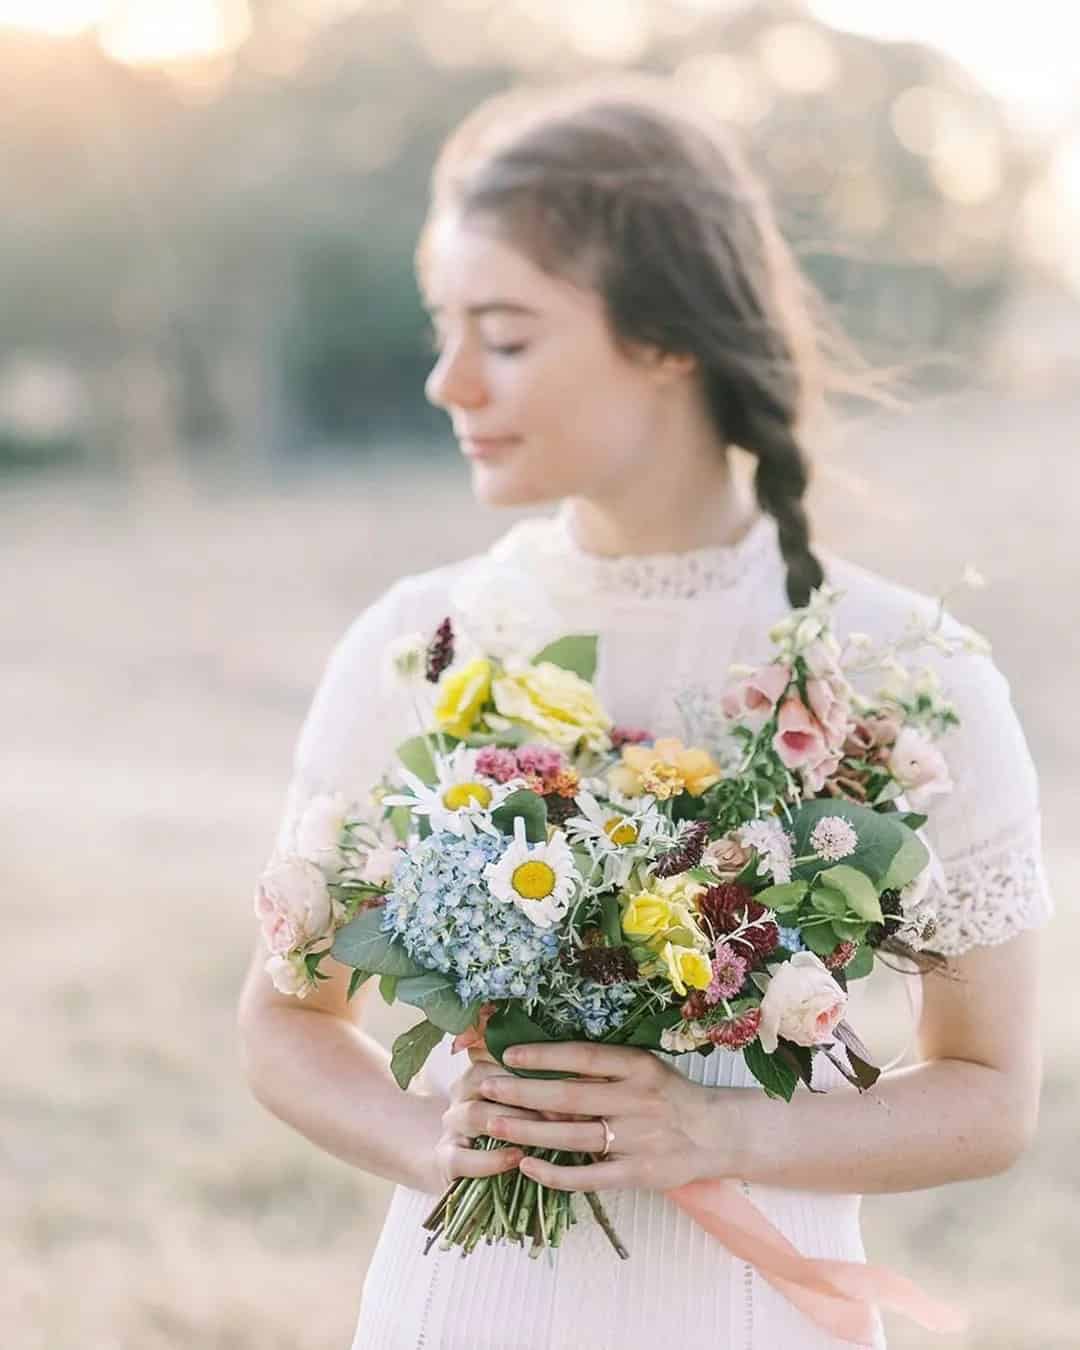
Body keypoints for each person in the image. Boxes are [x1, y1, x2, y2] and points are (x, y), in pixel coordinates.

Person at [236, 74, 1052, 1349]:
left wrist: (722, 1130)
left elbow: (991, 1097)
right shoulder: (418, 645)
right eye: (442, 328)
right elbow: (290, 1017)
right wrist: (430, 1138)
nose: (449, 382)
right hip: (461, 1313)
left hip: (751, 1316)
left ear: (670, 337)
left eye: (503, 335)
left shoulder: (904, 672)